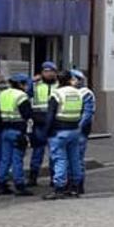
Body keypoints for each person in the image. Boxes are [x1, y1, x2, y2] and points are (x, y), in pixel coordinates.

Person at [42, 71, 85, 200]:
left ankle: (59, 188)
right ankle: (75, 187)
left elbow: (50, 115)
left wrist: (46, 132)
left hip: (59, 131)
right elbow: (81, 111)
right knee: (74, 159)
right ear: (70, 79)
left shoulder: (57, 93)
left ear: (58, 80)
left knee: (60, 159)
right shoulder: (78, 93)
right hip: (74, 130)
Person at [0, 73, 34, 196]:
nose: (27, 86)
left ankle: (2, 184)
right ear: (20, 84)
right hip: (18, 131)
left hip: (4, 130)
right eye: (25, 84)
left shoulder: (2, 94)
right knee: (17, 159)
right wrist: (28, 134)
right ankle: (20, 185)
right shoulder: (21, 96)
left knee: (5, 159)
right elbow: (27, 115)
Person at [27, 61, 58, 186]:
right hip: (39, 121)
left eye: (51, 71)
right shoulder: (35, 85)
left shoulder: (59, 85)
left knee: (54, 153)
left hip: (55, 123)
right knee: (37, 151)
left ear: (55, 72)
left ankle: (54, 178)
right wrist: (31, 81)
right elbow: (25, 94)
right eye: (45, 71)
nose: (48, 74)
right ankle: (33, 178)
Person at [71, 69, 95, 194]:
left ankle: (78, 185)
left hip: (80, 131)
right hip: (69, 129)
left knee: (78, 158)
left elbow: (87, 113)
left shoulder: (85, 93)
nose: (72, 81)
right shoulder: (69, 92)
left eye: (74, 79)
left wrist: (79, 127)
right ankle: (71, 183)